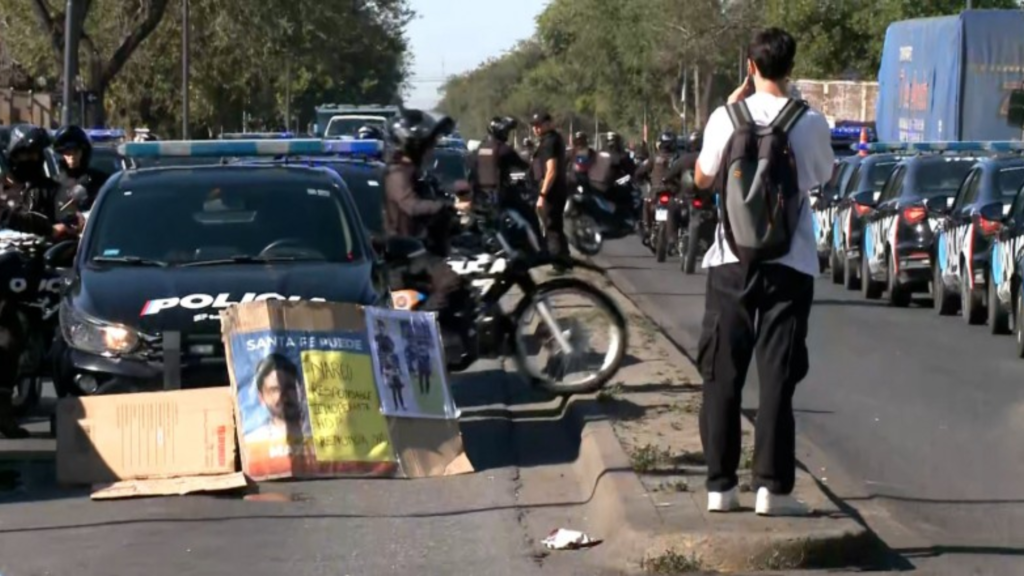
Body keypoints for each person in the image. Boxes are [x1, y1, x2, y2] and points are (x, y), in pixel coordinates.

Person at [692, 28, 833, 516]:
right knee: (778, 376)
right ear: (790, 67)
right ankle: (772, 490)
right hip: (790, 263)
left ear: (750, 67)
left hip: (730, 261)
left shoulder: (724, 117)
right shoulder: (810, 122)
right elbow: (820, 177)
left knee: (722, 374)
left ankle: (720, 486)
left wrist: (732, 109)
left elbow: (702, 177)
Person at [383, 109, 471, 339]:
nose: (432, 148)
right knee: (451, 283)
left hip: (422, 248)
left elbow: (437, 191)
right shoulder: (397, 174)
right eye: (427, 143)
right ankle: (417, 331)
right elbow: (412, 206)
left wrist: (457, 195)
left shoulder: (414, 171)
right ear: (412, 144)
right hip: (406, 255)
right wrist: (449, 207)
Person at [529, 111, 569, 268]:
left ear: (549, 124)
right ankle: (565, 260)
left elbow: (551, 170)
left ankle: (559, 265)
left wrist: (542, 195)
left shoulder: (550, 142)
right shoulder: (551, 139)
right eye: (534, 126)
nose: (537, 129)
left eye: (540, 125)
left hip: (552, 192)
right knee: (556, 227)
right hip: (555, 190)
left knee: (551, 228)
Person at [469, 116, 530, 213]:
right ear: (500, 132)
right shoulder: (504, 150)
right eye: (506, 131)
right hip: (501, 200)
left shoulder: (476, 151)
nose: (506, 134)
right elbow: (524, 166)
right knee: (528, 215)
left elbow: (470, 174)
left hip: (478, 201)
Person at [246, 353, 306, 443]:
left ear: (301, 391)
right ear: (261, 397)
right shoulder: (253, 441)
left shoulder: (322, 435)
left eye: (289, 387)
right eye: (274, 390)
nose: (283, 396)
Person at [53, 125, 109, 217]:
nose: (72, 157)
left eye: (76, 151)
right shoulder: (54, 184)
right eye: (68, 152)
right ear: (61, 155)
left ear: (83, 152)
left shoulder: (99, 180)